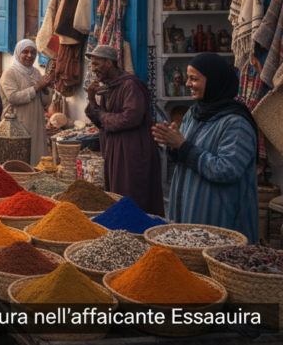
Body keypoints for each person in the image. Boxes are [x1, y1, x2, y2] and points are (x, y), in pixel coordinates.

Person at [152, 53, 257, 240]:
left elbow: (227, 169)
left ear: (214, 81)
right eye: (187, 78)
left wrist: (182, 146)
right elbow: (185, 150)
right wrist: (172, 144)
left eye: (194, 79)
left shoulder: (236, 123)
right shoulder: (194, 112)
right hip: (188, 212)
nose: (187, 84)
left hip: (220, 222)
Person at [84, 45, 164, 216]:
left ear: (109, 63)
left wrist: (104, 117)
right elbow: (100, 121)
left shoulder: (130, 85)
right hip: (115, 150)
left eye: (96, 64)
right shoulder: (109, 86)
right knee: (117, 194)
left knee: (133, 195)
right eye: (92, 65)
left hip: (132, 150)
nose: (93, 69)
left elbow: (131, 118)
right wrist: (92, 99)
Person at [0, 39, 56, 166]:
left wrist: (45, 89)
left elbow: (45, 103)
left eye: (33, 52)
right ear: (18, 53)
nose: (30, 56)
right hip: (17, 124)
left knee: (36, 156)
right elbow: (13, 97)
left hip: (36, 123)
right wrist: (37, 87)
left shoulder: (35, 72)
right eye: (25, 52)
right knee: (18, 160)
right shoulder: (10, 73)